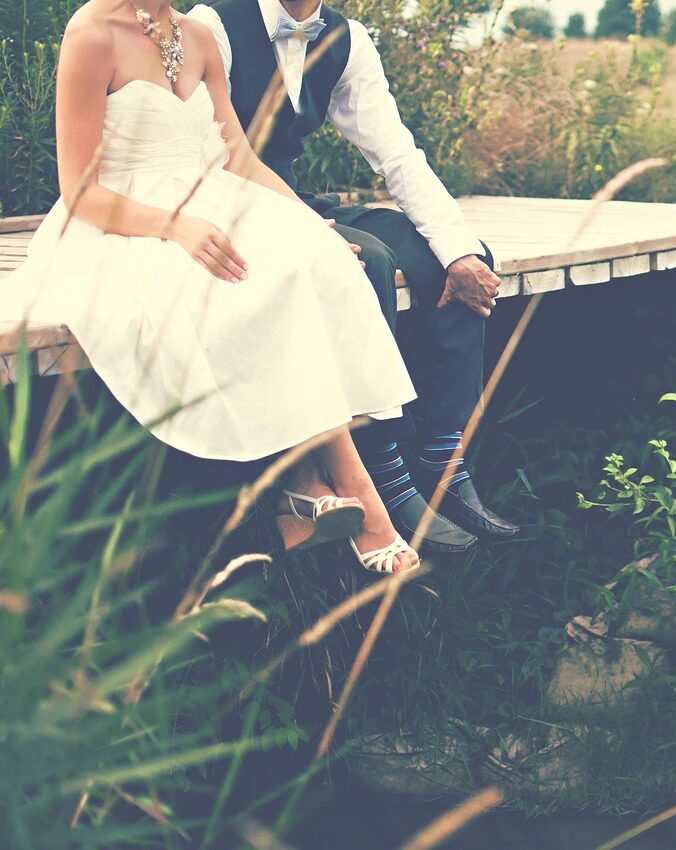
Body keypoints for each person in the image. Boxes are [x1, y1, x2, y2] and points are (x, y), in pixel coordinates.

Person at [0, 0, 421, 574]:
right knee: (240, 288)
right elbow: (78, 189)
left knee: (313, 263)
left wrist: (304, 220)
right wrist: (174, 227)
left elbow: (238, 158)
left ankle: (308, 487)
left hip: (211, 199)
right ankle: (360, 498)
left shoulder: (197, 35)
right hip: (126, 220)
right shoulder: (91, 33)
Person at [187, 0, 520, 552]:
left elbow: (396, 153)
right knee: (368, 262)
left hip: (295, 201)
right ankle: (381, 470)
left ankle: (442, 463)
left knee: (455, 255)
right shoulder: (215, 22)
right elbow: (208, 149)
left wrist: (458, 250)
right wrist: (310, 228)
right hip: (226, 209)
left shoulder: (346, 37)